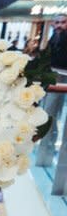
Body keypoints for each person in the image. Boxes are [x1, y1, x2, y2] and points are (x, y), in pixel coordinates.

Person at [38, 14, 67, 167]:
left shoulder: (63, 38)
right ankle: (44, 154)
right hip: (51, 78)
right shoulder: (54, 37)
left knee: (52, 114)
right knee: (47, 115)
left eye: (62, 22)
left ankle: (47, 155)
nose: (59, 26)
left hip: (62, 79)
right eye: (56, 23)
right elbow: (44, 54)